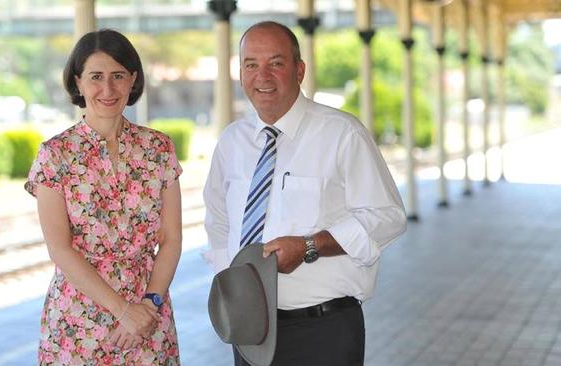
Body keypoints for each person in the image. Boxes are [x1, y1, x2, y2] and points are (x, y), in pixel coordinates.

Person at [203, 21, 407, 366]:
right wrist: (239, 289)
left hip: (323, 329)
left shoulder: (342, 133)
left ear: (299, 70)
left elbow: (388, 217)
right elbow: (218, 222)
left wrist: (310, 246)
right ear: (240, 74)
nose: (262, 76)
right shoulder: (231, 142)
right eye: (251, 64)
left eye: (276, 63)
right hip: (252, 331)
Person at [25, 29, 182, 365]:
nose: (107, 89)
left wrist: (148, 305)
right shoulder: (55, 155)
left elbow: (171, 238)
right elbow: (60, 249)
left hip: (149, 314)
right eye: (96, 77)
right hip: (79, 319)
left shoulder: (159, 148)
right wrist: (123, 310)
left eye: (118, 76)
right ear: (78, 83)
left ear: (133, 80)